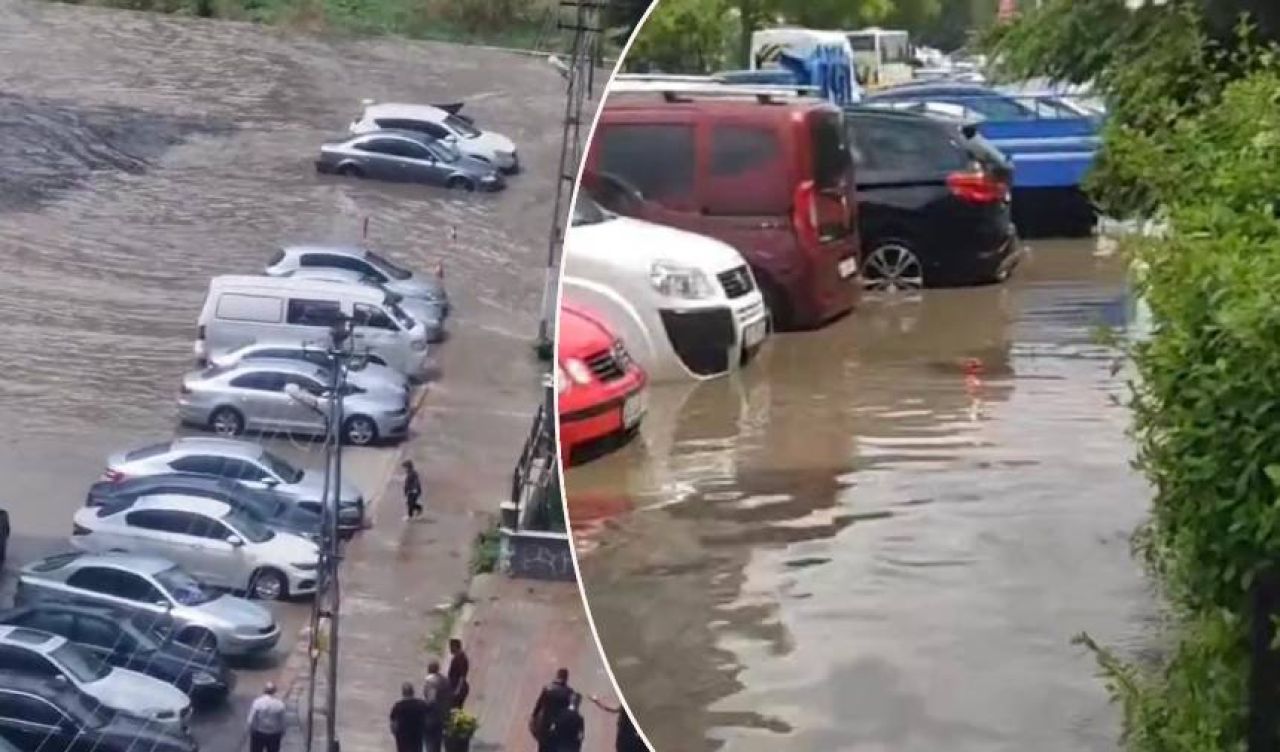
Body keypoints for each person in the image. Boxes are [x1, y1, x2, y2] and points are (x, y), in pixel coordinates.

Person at [529, 668, 573, 752]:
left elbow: (538, 705)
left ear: (557, 676)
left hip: (544, 724)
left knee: (542, 747)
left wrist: (533, 718)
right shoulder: (569, 693)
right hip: (558, 727)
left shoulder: (547, 688)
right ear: (566, 678)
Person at [422, 660, 453, 752]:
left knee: (430, 742)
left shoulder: (431, 681)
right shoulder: (445, 680)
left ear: (429, 669)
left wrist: (423, 708)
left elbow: (431, 700)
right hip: (443, 715)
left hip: (432, 717)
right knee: (438, 741)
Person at [389, 682, 430, 752]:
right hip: (417, 736)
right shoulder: (420, 704)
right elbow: (429, 716)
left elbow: (393, 724)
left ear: (403, 693)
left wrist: (395, 733)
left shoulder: (398, 706)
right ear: (413, 692)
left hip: (402, 737)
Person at [247, 682, 287, 752]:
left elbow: (251, 719)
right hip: (274, 734)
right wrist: (282, 732)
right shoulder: (280, 704)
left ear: (264, 690)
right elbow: (282, 721)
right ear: (275, 691)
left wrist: (251, 729)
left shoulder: (257, 702)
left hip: (259, 733)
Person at [447, 638, 470, 708]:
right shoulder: (459, 656)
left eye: (451, 647)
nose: (450, 649)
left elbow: (462, 676)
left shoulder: (460, 658)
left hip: (459, 688)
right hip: (458, 687)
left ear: (455, 647)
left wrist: (457, 690)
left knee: (454, 709)